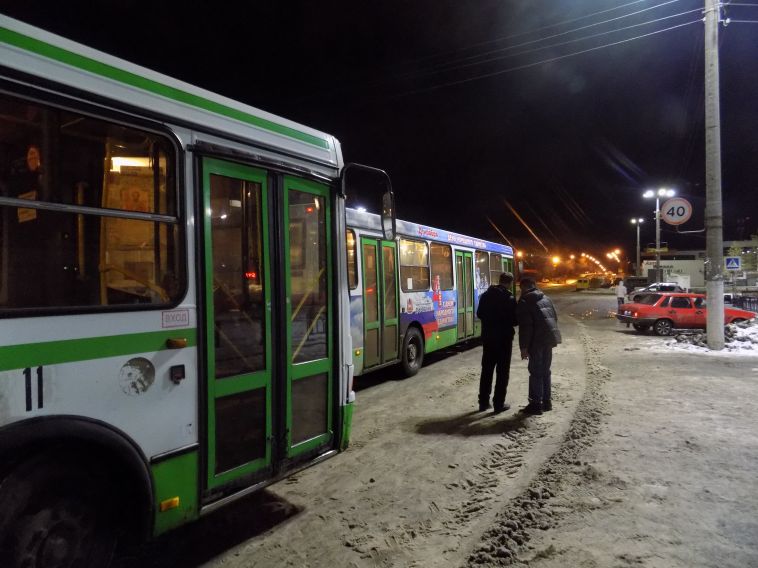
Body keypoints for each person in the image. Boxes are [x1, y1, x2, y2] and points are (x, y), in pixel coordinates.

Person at [517, 277, 561, 415]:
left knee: (535, 372)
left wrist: (524, 348)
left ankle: (536, 404)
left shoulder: (525, 301)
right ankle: (546, 402)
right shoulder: (546, 298)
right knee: (545, 370)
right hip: (548, 339)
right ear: (534, 285)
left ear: (523, 287)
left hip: (536, 342)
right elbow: (554, 318)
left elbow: (525, 327)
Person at [476, 272, 518, 413]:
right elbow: (515, 320)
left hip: (488, 339)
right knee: (502, 372)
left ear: (500, 281)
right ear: (510, 283)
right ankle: (498, 404)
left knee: (486, 371)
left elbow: (479, 314)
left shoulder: (485, 296)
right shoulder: (509, 298)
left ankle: (483, 402)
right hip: (504, 340)